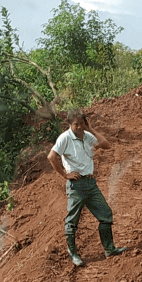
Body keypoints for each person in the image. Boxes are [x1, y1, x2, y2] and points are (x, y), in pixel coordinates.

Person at [48, 109, 126, 267]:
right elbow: (51, 157)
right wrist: (65, 174)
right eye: (75, 124)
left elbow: (106, 145)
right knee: (72, 221)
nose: (78, 127)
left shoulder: (87, 136)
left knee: (105, 214)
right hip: (76, 185)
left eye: (81, 124)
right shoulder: (65, 138)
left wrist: (90, 129)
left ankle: (109, 249)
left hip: (90, 183)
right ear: (69, 124)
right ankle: (73, 254)